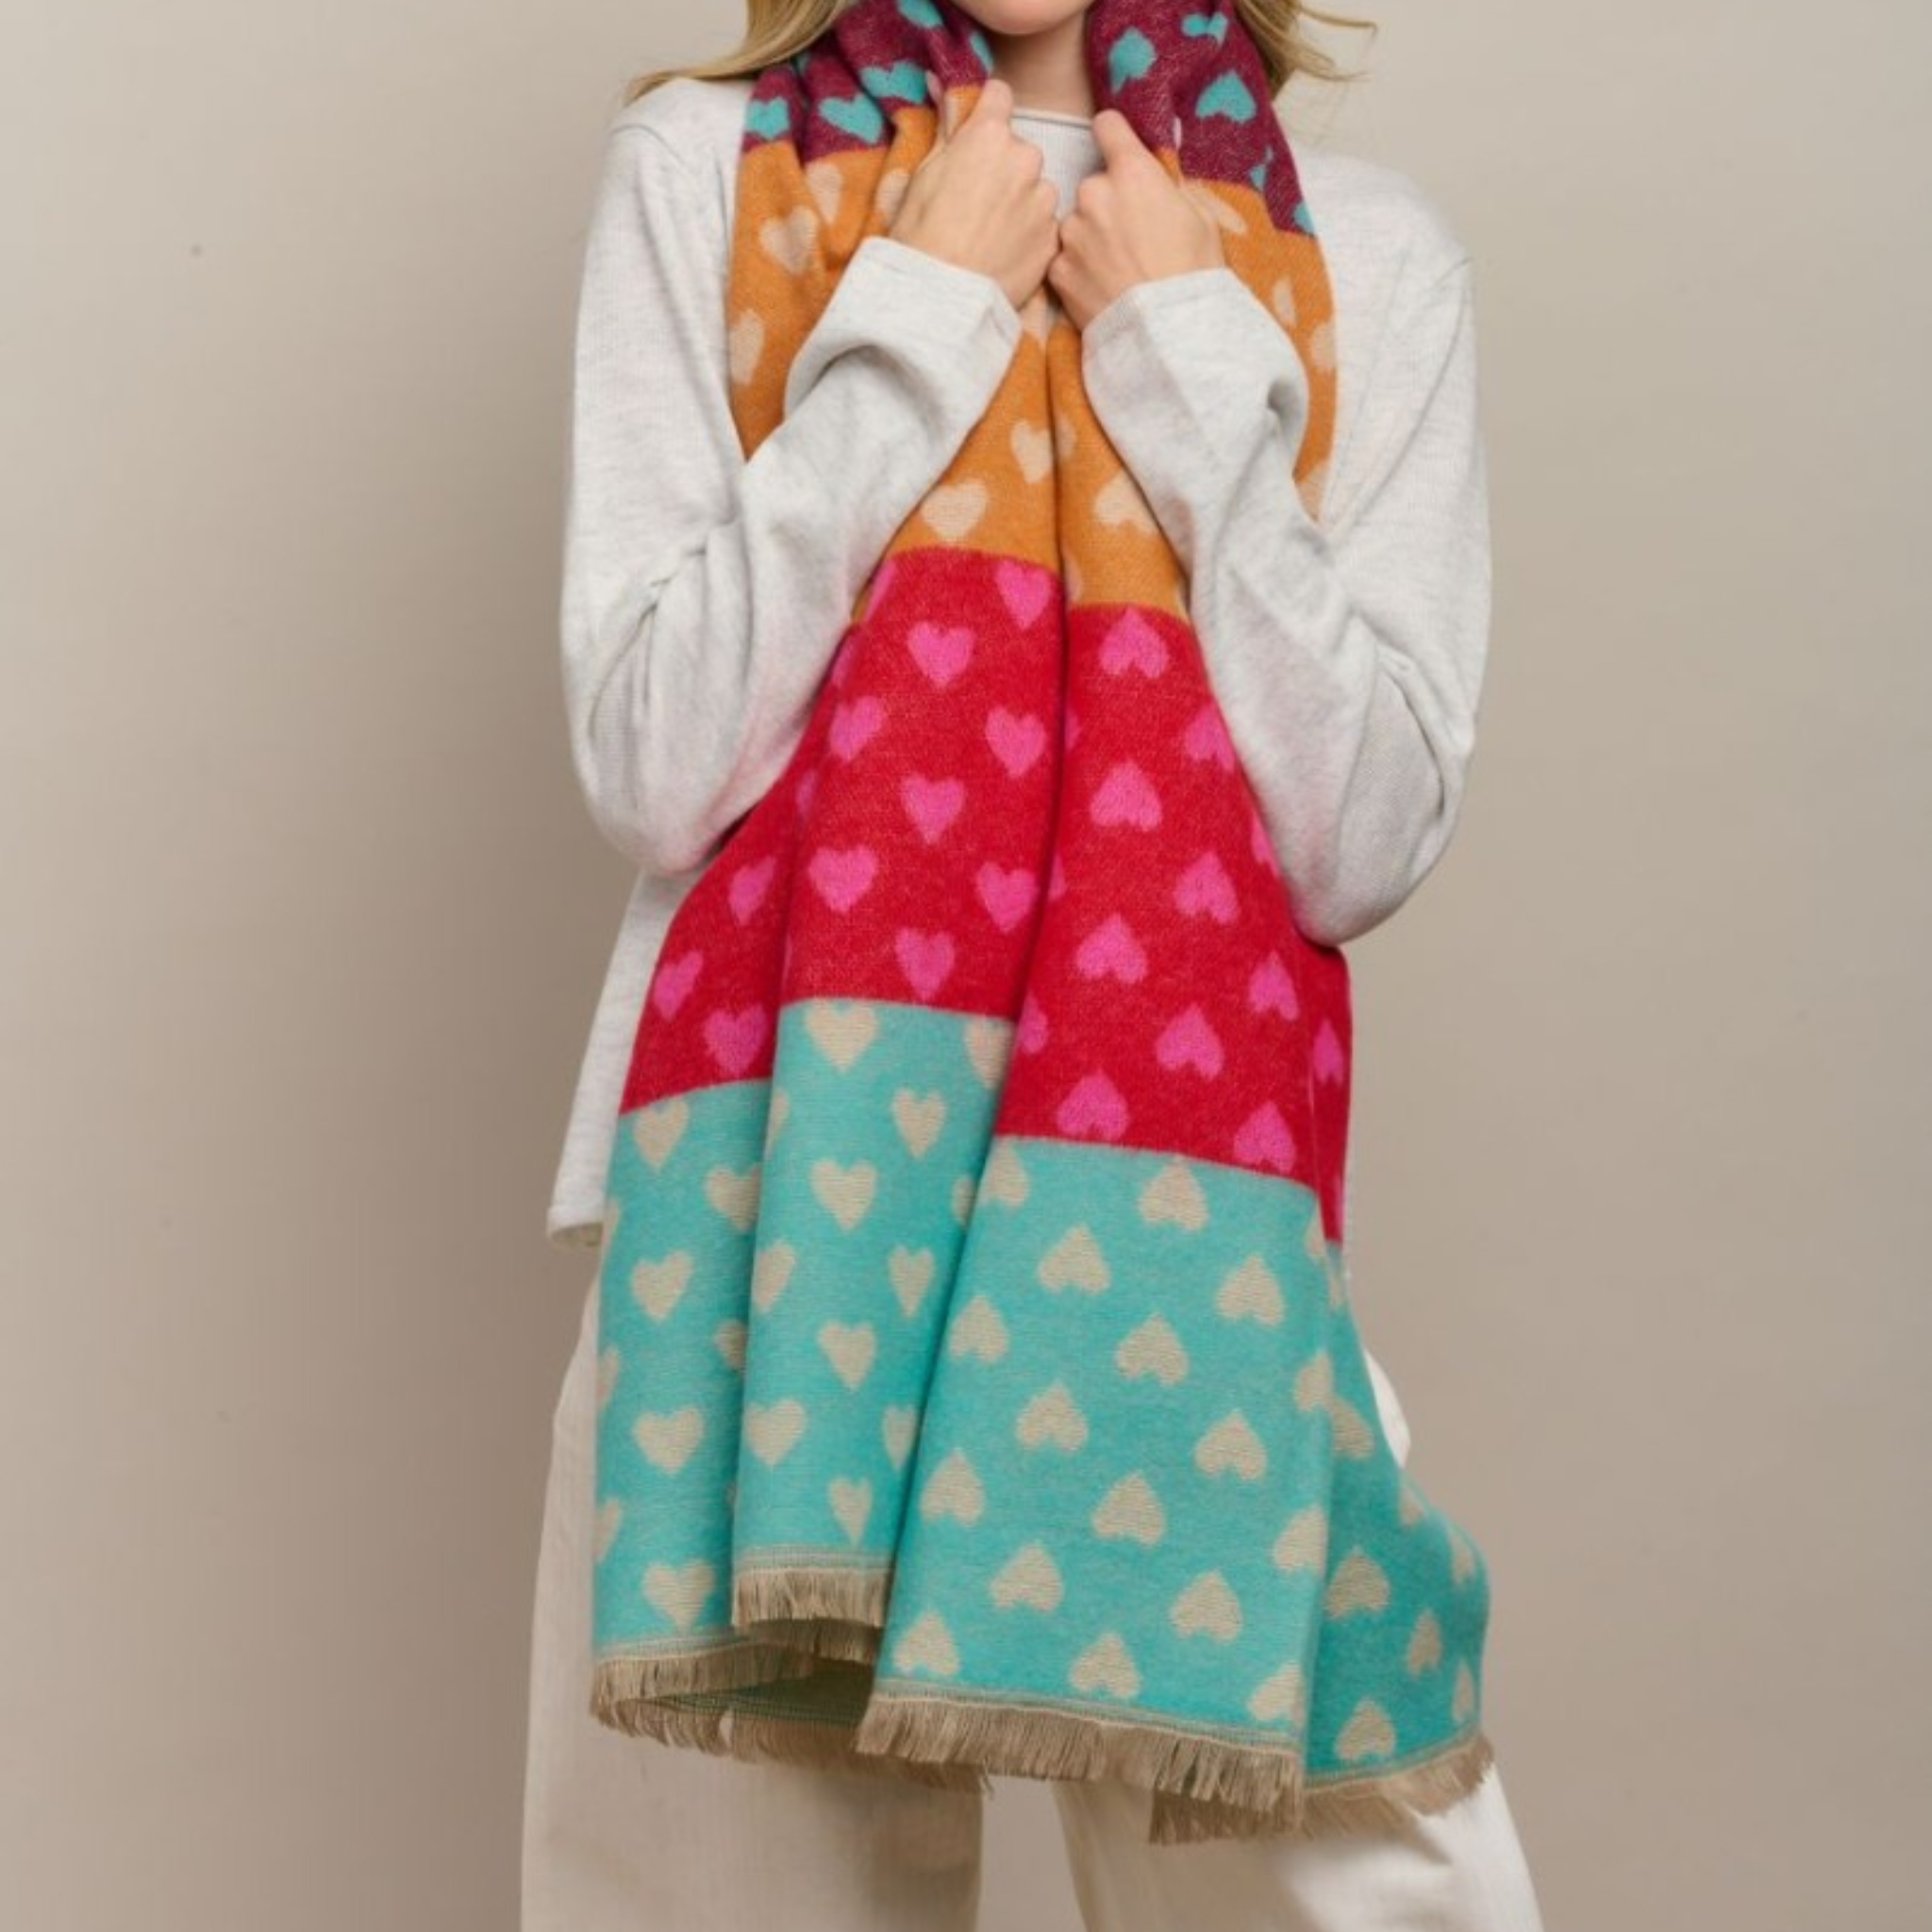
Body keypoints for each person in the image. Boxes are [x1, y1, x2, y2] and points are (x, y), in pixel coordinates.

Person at [525, 1, 1549, 1925]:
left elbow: (1358, 839)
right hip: (770, 1194)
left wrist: (1181, 351)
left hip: (1167, 1204)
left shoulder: (1361, 251)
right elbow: (657, 762)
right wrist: (913, 317)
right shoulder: (711, 178)